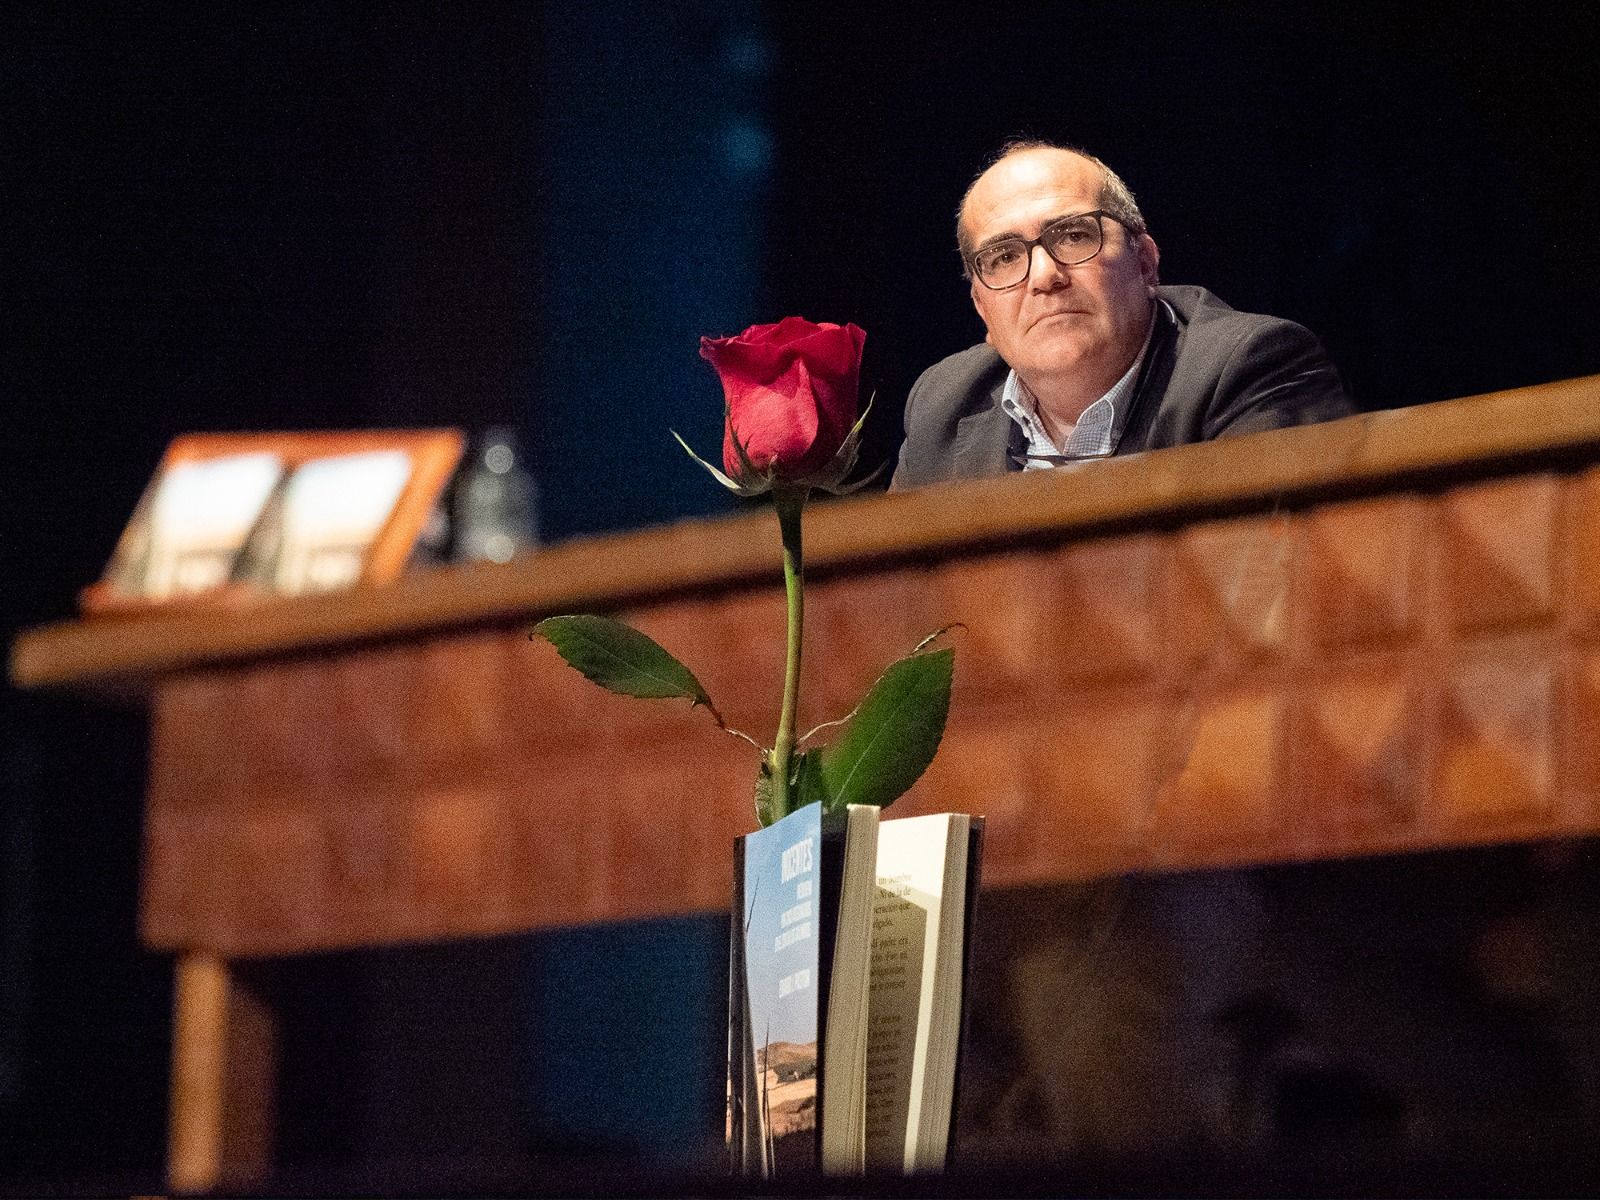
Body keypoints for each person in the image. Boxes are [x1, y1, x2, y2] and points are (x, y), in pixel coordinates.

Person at [891, 141, 1354, 490]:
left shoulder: (1249, 368)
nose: (1043, 275)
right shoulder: (942, 408)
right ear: (982, 310)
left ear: (1145, 262)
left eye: (1073, 235)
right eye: (1004, 257)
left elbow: (1271, 584)